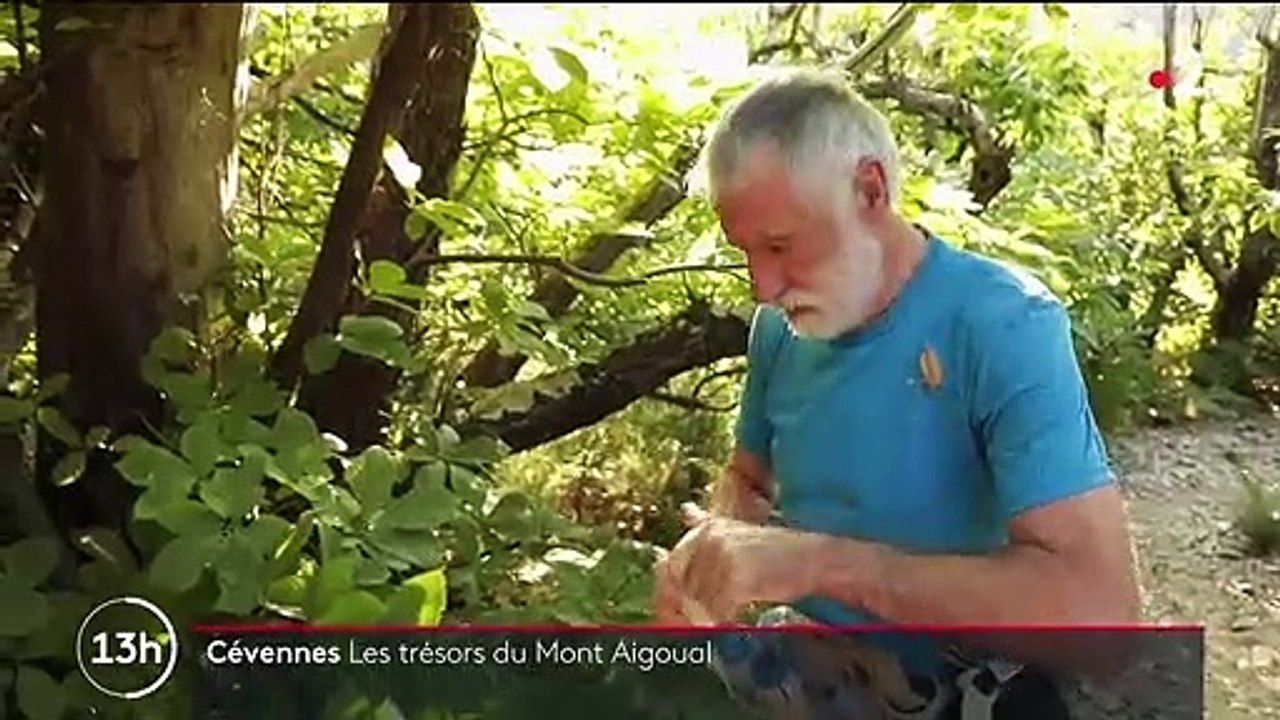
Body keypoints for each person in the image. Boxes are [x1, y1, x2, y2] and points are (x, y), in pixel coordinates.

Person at [652, 70, 1142, 718]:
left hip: (968, 685)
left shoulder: (1003, 323)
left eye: (780, 245)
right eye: (746, 252)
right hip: (815, 672)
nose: (761, 287)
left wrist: (816, 564)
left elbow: (1102, 619)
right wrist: (711, 561)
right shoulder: (779, 330)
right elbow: (749, 478)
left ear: (870, 190)